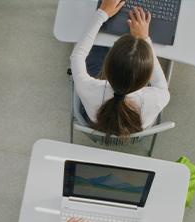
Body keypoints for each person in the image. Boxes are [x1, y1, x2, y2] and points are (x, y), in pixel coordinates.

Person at [71, 0, 170, 137]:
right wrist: (145, 38)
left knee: (97, 45)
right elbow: (161, 84)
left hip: (94, 124)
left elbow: (77, 56)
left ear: (105, 69)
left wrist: (102, 14)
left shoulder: (89, 88)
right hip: (135, 135)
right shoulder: (158, 98)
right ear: (146, 80)